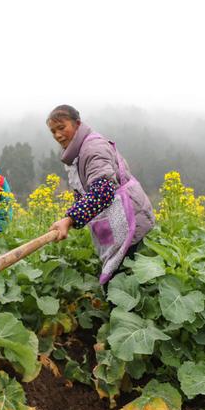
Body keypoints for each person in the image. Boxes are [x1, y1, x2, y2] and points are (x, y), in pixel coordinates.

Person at [46, 105, 155, 286]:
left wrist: (69, 219)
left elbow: (102, 191)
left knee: (124, 282)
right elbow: (86, 191)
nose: (57, 135)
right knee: (117, 276)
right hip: (114, 219)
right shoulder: (77, 153)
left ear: (77, 124)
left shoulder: (93, 148)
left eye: (62, 127)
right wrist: (72, 215)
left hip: (131, 220)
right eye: (53, 131)